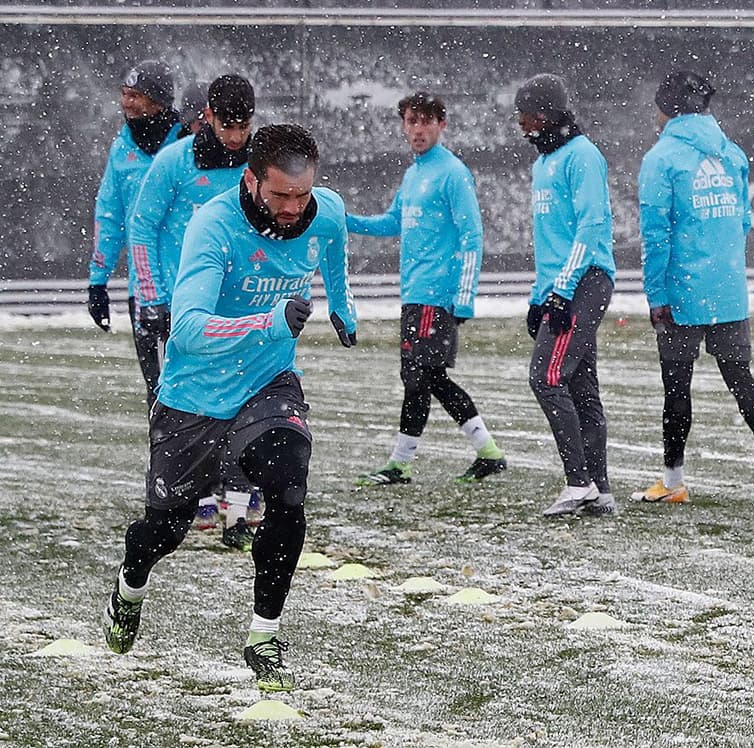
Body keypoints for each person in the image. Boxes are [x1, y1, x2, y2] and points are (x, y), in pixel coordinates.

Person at [102, 124, 359, 693]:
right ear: (251, 179)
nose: (293, 208)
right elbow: (188, 330)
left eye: (302, 194)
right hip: (193, 396)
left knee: (288, 485)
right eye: (281, 195)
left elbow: (334, 247)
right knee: (163, 531)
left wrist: (343, 306)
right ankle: (129, 586)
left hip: (267, 382)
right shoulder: (214, 225)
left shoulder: (326, 211)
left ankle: (264, 636)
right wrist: (268, 321)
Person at [632, 70, 754, 508]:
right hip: (727, 288)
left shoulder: (661, 159)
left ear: (665, 108)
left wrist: (656, 295)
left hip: (681, 290)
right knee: (741, 379)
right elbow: (743, 221)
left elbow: (656, 236)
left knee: (676, 389)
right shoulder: (731, 153)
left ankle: (673, 480)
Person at [348, 92, 507, 488]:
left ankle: (401, 464)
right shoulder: (413, 174)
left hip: (436, 295)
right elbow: (392, 222)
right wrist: (345, 219)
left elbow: (472, 234)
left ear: (441, 125)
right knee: (429, 378)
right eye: (411, 121)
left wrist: (465, 296)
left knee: (419, 378)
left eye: (426, 121)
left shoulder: (452, 172)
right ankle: (488, 452)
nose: (418, 129)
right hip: (414, 295)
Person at [129, 74, 259, 549]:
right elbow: (142, 228)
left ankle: (238, 506)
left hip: (235, 310)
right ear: (207, 116)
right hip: (179, 308)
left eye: (243, 126)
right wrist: (153, 296)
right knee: (178, 405)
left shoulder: (257, 163)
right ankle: (186, 495)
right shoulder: (174, 163)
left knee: (243, 402)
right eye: (227, 126)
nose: (236, 137)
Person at [514, 73, 617, 518]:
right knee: (580, 385)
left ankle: (579, 483)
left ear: (546, 114)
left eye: (526, 115)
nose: (521, 124)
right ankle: (600, 489)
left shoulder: (583, 156)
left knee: (546, 378)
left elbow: (590, 227)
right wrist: (539, 297)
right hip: (563, 285)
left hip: (584, 280)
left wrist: (561, 291)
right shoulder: (543, 163)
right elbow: (550, 242)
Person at [87, 60, 183, 403]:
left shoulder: (188, 144)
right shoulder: (121, 149)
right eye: (124, 94)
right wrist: (98, 282)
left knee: (199, 388)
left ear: (158, 101)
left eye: (135, 95)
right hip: (144, 289)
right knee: (158, 391)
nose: (126, 102)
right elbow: (109, 216)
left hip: (194, 283)